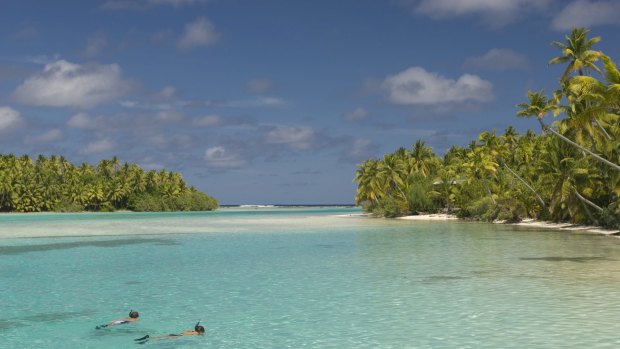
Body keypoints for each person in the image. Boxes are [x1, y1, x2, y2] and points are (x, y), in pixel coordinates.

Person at [134, 321, 204, 343]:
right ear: (200, 331)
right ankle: (148, 339)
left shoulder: (190, 330)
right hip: (176, 336)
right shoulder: (196, 333)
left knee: (161, 337)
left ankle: (149, 337)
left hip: (176, 334)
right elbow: (198, 334)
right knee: (161, 339)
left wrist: (196, 327)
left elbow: (188, 332)